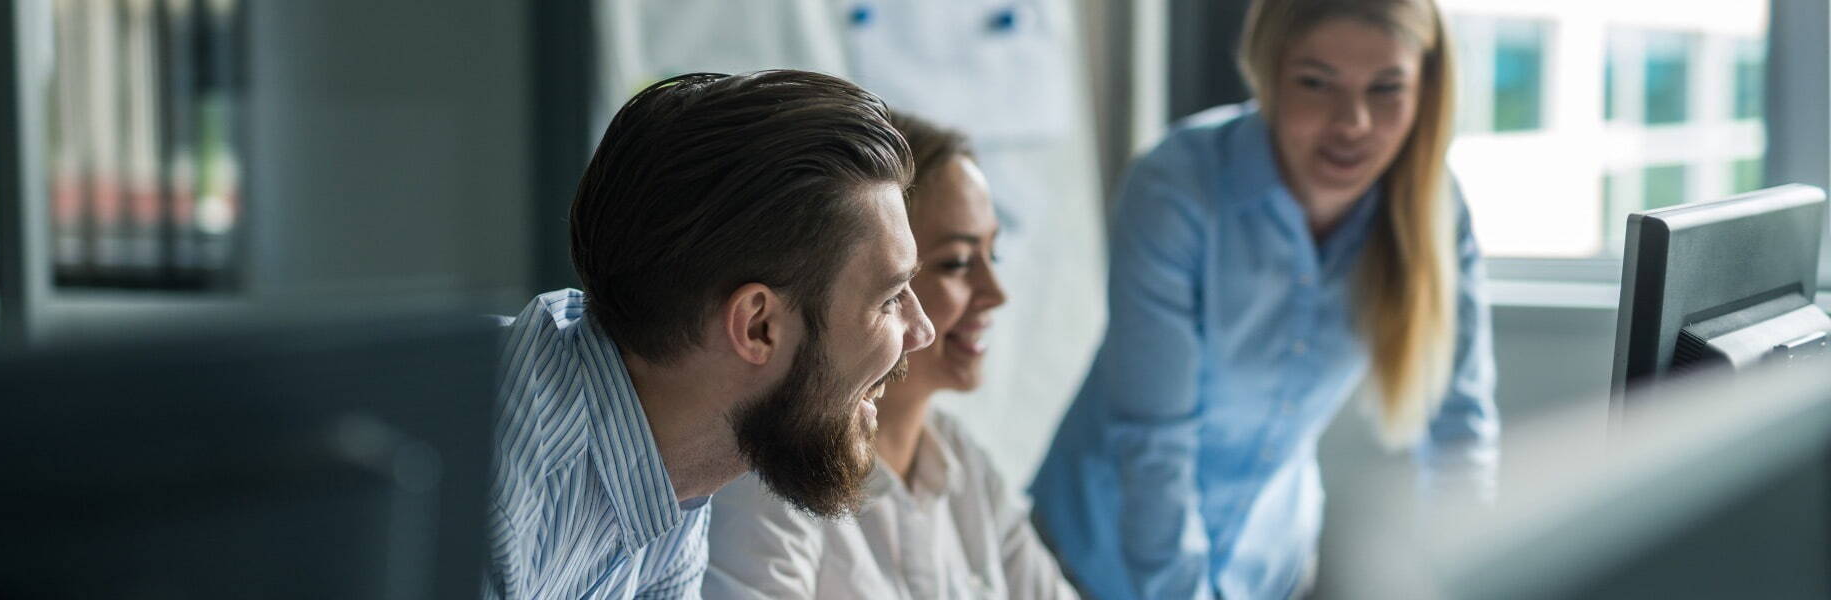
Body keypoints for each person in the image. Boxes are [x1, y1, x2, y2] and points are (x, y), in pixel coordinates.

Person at [1028, 0, 1498, 598]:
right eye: (1315, 83)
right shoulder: (1178, 187)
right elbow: (1154, 445)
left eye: (1387, 89)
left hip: (1268, 565)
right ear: (1268, 71)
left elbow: (1460, 431)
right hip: (1099, 560)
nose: (1352, 121)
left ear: (1426, 88)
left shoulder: (1435, 210)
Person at [488, 70, 937, 599]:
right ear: (757, 326)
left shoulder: (673, 469)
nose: (922, 331)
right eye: (889, 298)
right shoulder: (490, 489)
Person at [703, 113, 1079, 599]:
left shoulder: (962, 463)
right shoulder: (776, 467)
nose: (995, 293)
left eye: (993, 255)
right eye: (957, 263)